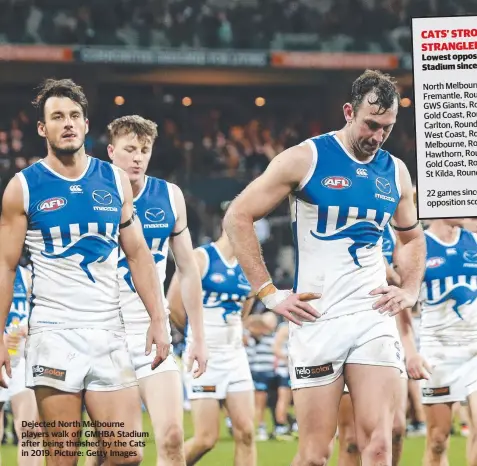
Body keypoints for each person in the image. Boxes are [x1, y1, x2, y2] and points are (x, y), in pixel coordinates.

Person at [223, 69, 426, 466]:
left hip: (373, 317)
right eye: (370, 124)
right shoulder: (307, 158)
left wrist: (411, 289)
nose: (377, 136)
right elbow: (238, 216)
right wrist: (269, 293)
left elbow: (412, 237)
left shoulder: (396, 172)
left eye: (386, 128)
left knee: (380, 446)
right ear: (349, 111)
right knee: (315, 454)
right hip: (317, 318)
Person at [0, 78, 171, 465]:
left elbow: (140, 255)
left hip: (109, 331)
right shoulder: (23, 187)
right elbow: (5, 266)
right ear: (43, 129)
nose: (68, 123)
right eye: (57, 117)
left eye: (74, 115)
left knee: (127, 454)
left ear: (86, 123)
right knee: (63, 457)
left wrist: (159, 320)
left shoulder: (114, 179)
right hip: (54, 334)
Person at [106, 115, 207, 466]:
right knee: (120, 455)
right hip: (105, 336)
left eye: (144, 150)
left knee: (173, 438)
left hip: (154, 333)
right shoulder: (92, 194)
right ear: (111, 151)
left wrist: (197, 335)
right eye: (129, 149)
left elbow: (188, 269)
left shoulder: (169, 195)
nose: (137, 157)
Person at [167, 225, 256, 466]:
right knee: (206, 439)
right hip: (204, 358)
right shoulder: (201, 257)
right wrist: (197, 337)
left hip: (235, 356)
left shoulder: (249, 266)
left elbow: (245, 310)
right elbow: (173, 304)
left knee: (247, 433)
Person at [418, 218, 477, 466]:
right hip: (438, 352)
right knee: (437, 439)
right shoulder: (417, 244)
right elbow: (402, 297)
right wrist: (411, 352)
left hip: (474, 346)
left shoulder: (473, 240)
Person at [0, 263, 42, 466]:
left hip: (22, 360)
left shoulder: (26, 276)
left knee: (30, 429)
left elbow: (44, 310)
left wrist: (31, 326)